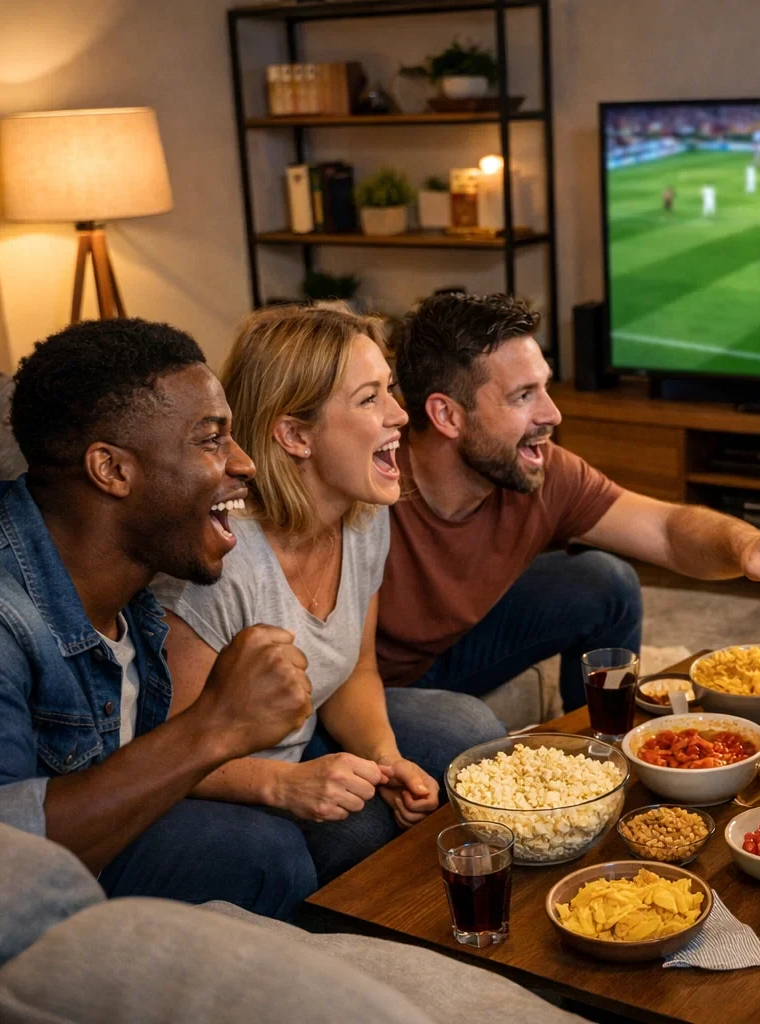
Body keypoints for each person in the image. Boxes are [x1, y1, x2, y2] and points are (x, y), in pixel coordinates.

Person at [0, 319, 323, 921]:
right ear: (111, 470)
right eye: (211, 440)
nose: (245, 464)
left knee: (341, 832)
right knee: (262, 850)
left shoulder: (126, 567)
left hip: (79, 845)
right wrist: (214, 725)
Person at [153, 305, 506, 886]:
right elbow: (171, 755)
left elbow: (355, 669)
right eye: (370, 399)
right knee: (363, 833)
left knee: (469, 735)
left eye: (390, 391)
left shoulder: (365, 516)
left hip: (299, 737)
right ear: (295, 434)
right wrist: (284, 786)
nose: (400, 414)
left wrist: (385, 756)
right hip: (209, 787)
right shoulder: (220, 562)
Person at [378, 292, 760, 712]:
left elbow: (665, 530)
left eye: (545, 388)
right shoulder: (370, 484)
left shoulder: (543, 472)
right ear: (446, 415)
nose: (552, 414)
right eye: (523, 396)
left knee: (605, 582)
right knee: (466, 727)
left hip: (460, 646)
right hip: (372, 687)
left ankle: (597, 743)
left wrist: (747, 545)